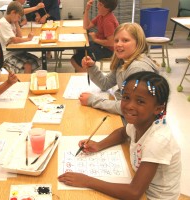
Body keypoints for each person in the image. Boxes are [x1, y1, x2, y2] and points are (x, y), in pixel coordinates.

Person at [59, 71, 181, 200]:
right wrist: (99, 145)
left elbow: (134, 193)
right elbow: (122, 133)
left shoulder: (158, 140)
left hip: (153, 197)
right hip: (140, 185)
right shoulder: (139, 122)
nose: (129, 106)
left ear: (158, 108)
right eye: (126, 98)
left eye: (140, 101)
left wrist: (87, 181)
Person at [79, 22, 159, 115]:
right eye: (116, 40)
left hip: (138, 123)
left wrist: (92, 100)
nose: (118, 44)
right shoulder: (123, 61)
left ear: (138, 43)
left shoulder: (137, 69)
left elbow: (130, 108)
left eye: (125, 40)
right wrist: (92, 67)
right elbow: (105, 84)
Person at [71, 0, 119, 72]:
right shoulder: (101, 16)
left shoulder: (108, 21)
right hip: (99, 45)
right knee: (79, 49)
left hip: (108, 50)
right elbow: (86, 26)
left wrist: (95, 39)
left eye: (100, 4)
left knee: (75, 59)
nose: (97, 6)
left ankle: (86, 76)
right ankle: (84, 72)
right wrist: (86, 10)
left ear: (107, 8)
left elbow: (111, 42)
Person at [0, 1, 41, 73]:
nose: (19, 19)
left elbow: (20, 36)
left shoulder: (11, 21)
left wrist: (16, 23)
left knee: (36, 61)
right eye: (18, 17)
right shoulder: (4, 23)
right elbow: (14, 40)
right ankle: (24, 82)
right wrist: (28, 39)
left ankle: (25, 77)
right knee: (28, 65)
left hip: (14, 52)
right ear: (13, 13)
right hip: (6, 55)